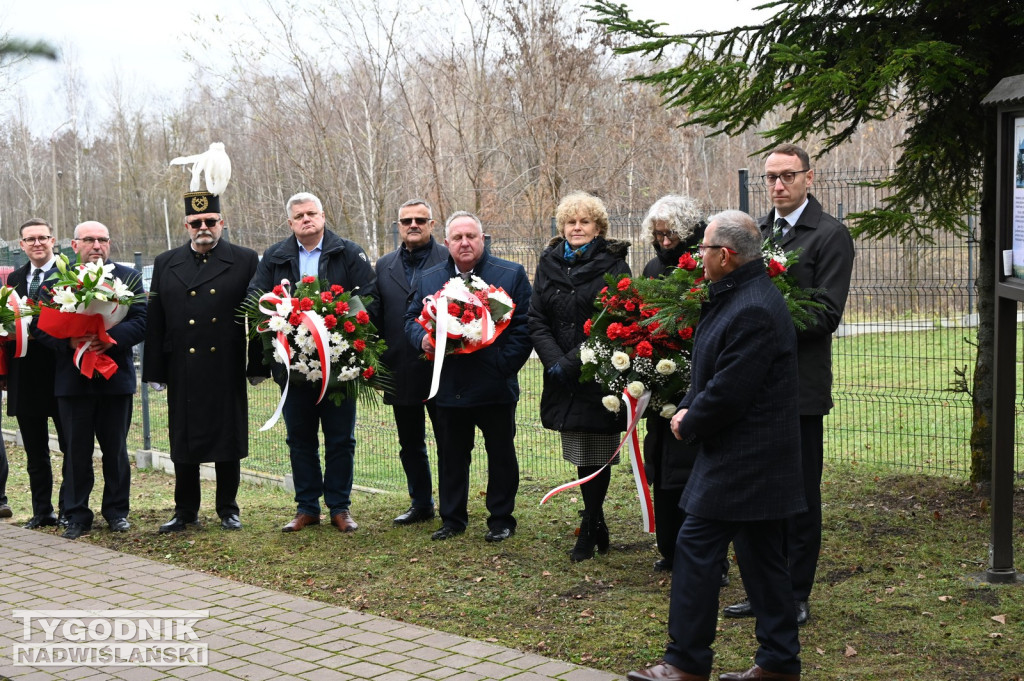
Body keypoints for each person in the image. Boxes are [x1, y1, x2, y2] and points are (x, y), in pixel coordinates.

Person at [627, 210, 805, 681]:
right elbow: (709, 367)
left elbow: (730, 389)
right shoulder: (737, 295)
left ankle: (685, 663)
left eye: (703, 248)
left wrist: (689, 420)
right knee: (762, 557)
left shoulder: (752, 307)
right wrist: (688, 403)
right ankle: (779, 663)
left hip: (744, 458)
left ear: (724, 256)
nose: (697, 255)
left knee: (696, 548)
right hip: (747, 455)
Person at [723, 143, 855, 627]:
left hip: (799, 389)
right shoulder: (756, 232)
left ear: (809, 178)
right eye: (770, 177)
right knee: (757, 495)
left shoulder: (828, 235)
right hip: (752, 387)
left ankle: (795, 593)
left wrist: (759, 324)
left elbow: (825, 314)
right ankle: (763, 590)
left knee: (799, 496)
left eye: (787, 176)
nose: (778, 185)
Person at [248, 192, 378, 534]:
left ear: (323, 216)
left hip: (339, 365)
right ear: (290, 223)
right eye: (299, 216)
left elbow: (370, 297)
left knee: (340, 439)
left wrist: (340, 320)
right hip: (293, 367)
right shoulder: (275, 257)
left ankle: (339, 507)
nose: (307, 219)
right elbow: (254, 298)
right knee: (299, 439)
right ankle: (307, 507)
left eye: (312, 213)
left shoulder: (348, 252)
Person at [404, 211, 532, 543]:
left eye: (471, 236)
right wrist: (423, 340)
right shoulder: (430, 278)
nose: (464, 243)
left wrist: (503, 365)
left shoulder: (510, 274)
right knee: (451, 454)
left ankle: (501, 518)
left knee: (501, 453)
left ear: (482, 239)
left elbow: (523, 327)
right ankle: (452, 518)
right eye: (457, 238)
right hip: (449, 385)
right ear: (446, 243)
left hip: (495, 385)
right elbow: (410, 319)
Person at [143, 188, 261, 533]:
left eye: (210, 220)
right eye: (196, 222)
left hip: (224, 364)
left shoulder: (244, 259)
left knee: (227, 438)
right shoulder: (167, 262)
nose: (203, 227)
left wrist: (257, 365)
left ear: (222, 222)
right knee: (184, 440)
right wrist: (154, 370)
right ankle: (185, 510)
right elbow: (156, 319)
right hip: (183, 365)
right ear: (186, 225)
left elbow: (257, 317)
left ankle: (228, 508)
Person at [528, 191, 630, 561]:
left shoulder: (614, 264)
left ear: (598, 227)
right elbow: (537, 318)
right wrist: (553, 359)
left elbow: (615, 320)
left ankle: (589, 527)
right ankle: (596, 521)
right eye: (571, 222)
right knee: (579, 452)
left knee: (597, 451)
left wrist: (572, 361)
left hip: (597, 374)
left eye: (584, 221)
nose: (577, 227)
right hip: (560, 375)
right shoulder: (549, 262)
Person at [36, 221, 147, 540]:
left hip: (115, 377)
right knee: (76, 451)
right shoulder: (57, 279)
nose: (96, 245)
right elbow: (41, 327)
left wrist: (108, 337)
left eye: (102, 240)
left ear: (110, 244)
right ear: (74, 245)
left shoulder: (129, 277)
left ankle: (116, 512)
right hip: (73, 380)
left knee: (115, 450)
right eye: (89, 240)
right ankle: (76, 515)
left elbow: (142, 320)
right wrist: (69, 342)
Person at [639, 195, 707, 573]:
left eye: (672, 235)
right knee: (661, 466)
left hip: (693, 383)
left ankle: (700, 551)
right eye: (659, 234)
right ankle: (669, 547)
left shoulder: (701, 266)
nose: (665, 242)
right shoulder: (653, 267)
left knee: (691, 470)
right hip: (659, 383)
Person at [374, 198, 447, 525]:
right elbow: (377, 314)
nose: (413, 225)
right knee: (410, 443)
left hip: (443, 367)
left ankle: (452, 504)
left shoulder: (449, 259)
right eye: (407, 221)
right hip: (400, 367)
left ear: (432, 224)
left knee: (449, 441)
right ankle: (421, 503)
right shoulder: (383, 264)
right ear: (399, 226)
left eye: (421, 219)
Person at [5, 218, 69, 529]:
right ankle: (42, 511)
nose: (37, 244)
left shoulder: (70, 275)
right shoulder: (14, 279)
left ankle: (71, 508)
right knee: (35, 452)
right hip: (25, 374)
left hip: (62, 372)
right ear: (22, 245)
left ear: (53, 240)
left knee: (71, 446)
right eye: (30, 239)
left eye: (42, 238)